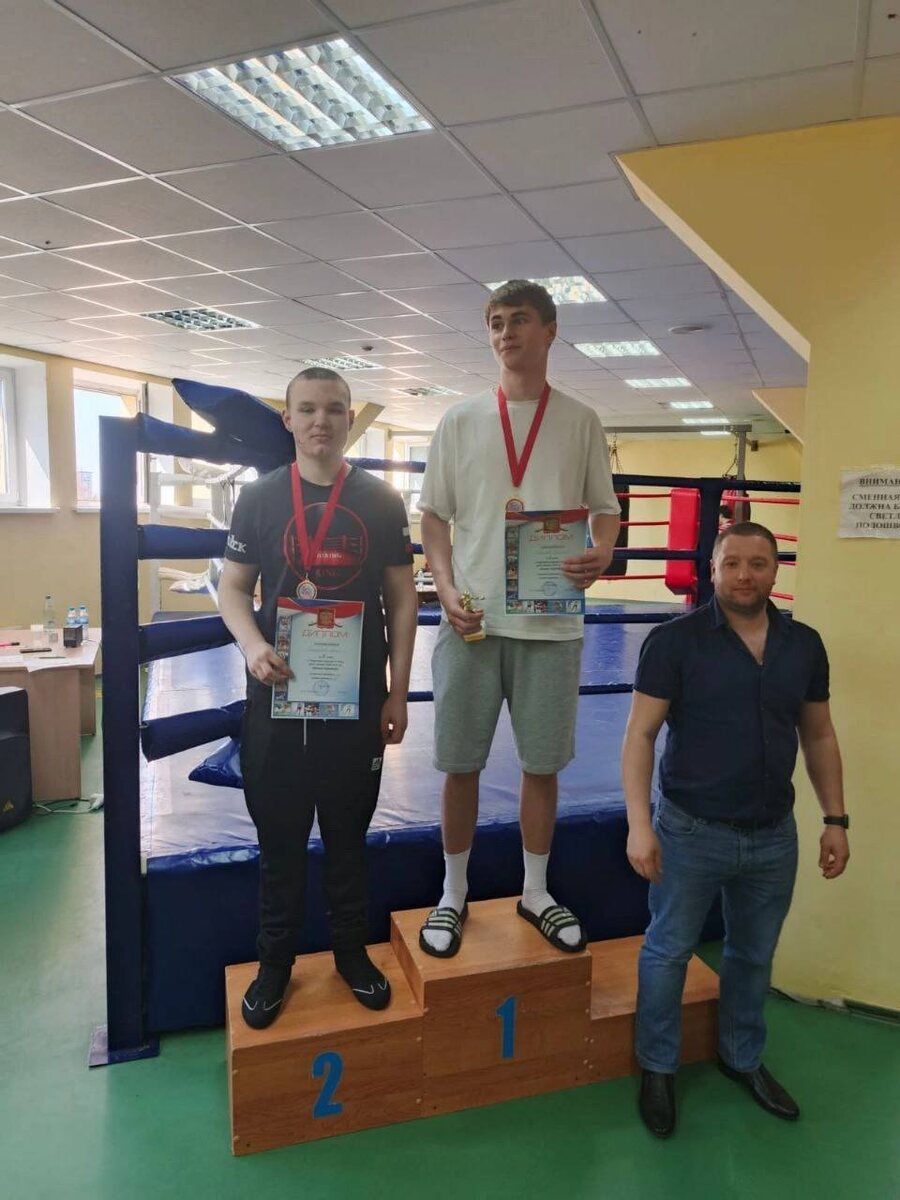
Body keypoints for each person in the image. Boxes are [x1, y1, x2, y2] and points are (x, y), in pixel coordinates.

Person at [621, 521, 850, 1137]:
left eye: (758, 563)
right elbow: (640, 735)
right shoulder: (674, 642)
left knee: (752, 954)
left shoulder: (804, 645)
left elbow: (819, 735)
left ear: (776, 570)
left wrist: (835, 818)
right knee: (668, 951)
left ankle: (741, 1057)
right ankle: (658, 1067)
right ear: (713, 570)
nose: (744, 575)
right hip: (690, 830)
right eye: (732, 564)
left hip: (773, 834)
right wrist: (639, 824)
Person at [417, 279, 621, 957]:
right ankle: (452, 893)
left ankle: (536, 890)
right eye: (497, 322)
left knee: (542, 766)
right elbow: (434, 518)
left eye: (520, 320)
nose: (506, 333)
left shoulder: (581, 420)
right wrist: (444, 587)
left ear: (551, 330)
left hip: (550, 624)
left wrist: (602, 551)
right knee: (459, 765)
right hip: (471, 621)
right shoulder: (461, 419)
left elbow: (606, 510)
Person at [218, 367, 417, 1028]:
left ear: (350, 418)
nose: (320, 421)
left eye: (333, 409)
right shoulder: (259, 498)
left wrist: (397, 691)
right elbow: (232, 588)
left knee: (348, 843)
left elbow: (402, 599)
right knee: (279, 847)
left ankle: (350, 956)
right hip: (276, 701)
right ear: (288, 419)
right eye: (306, 409)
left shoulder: (381, 500)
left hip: (355, 703)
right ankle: (274, 964)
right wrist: (251, 646)